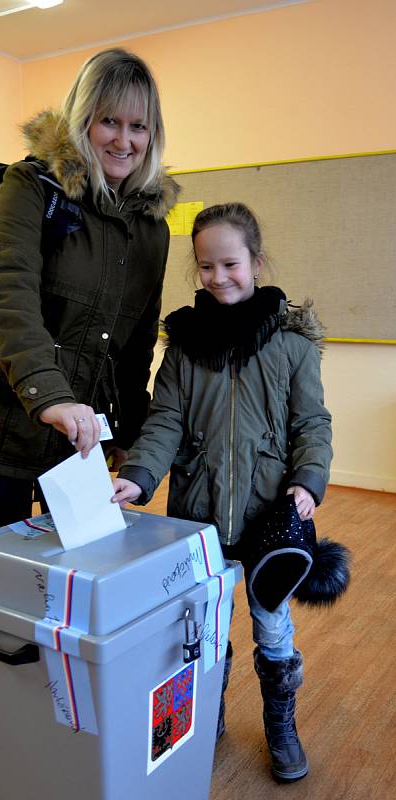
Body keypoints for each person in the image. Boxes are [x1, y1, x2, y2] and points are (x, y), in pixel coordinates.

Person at [111, 202, 332, 782]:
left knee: (272, 624)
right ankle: (206, 713)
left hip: (269, 524)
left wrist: (308, 481)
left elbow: (312, 426)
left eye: (230, 263)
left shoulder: (292, 346)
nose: (218, 277)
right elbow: (164, 422)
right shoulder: (183, 345)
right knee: (204, 627)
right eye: (205, 267)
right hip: (197, 519)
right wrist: (139, 473)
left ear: (256, 262)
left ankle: (281, 726)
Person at [0, 48, 179, 535]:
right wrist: (50, 398)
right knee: (8, 584)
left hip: (77, 439)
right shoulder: (31, 186)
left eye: (139, 126)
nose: (124, 140)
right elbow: (8, 294)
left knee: (82, 565)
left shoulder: (152, 226)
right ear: (84, 119)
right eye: (109, 121)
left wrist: (128, 431)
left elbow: (136, 339)